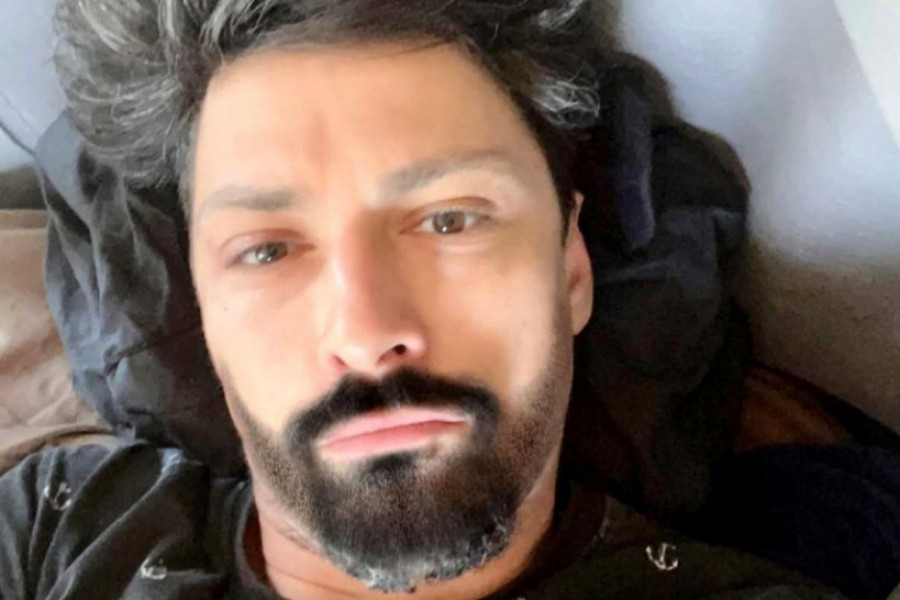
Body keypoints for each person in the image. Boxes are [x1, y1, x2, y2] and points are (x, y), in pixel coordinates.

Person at [0, 1, 848, 599]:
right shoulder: (53, 529)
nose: (367, 333)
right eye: (267, 250)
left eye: (449, 220)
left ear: (571, 271)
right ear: (208, 321)